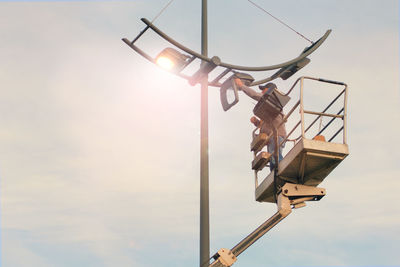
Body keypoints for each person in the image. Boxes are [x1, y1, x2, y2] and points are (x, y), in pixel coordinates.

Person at [235, 78, 287, 171]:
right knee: (273, 158)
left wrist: (241, 85)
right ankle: (276, 175)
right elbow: (268, 123)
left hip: (276, 135)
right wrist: (257, 122)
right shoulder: (269, 107)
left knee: (275, 157)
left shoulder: (273, 99)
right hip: (273, 136)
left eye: (264, 89)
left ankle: (282, 172)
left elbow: (255, 95)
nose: (262, 91)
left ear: (270, 90)